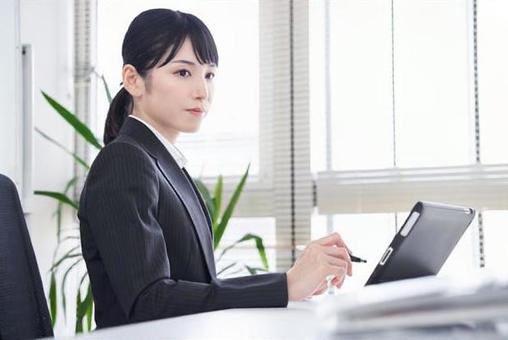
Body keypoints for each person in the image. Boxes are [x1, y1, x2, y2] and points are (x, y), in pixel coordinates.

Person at [78, 8, 352, 329]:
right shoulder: (124, 161)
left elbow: (196, 286)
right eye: (183, 73)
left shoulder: (163, 162)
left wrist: (292, 281)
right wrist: (285, 286)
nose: (202, 91)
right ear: (133, 80)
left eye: (209, 75)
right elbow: (148, 301)